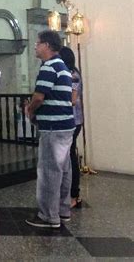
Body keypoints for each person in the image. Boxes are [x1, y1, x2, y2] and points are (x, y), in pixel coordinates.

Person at [25, 30, 75, 228]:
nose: (35, 47)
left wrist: (30, 109)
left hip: (53, 127)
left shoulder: (49, 67)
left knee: (48, 171)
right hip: (66, 125)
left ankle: (48, 216)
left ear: (46, 45)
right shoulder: (62, 65)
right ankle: (62, 211)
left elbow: (39, 97)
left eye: (37, 43)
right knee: (63, 169)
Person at [59, 46, 83, 209]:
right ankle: (67, 193)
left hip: (72, 121)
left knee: (70, 157)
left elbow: (73, 100)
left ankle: (74, 194)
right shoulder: (69, 73)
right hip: (69, 120)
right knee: (66, 157)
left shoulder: (72, 75)